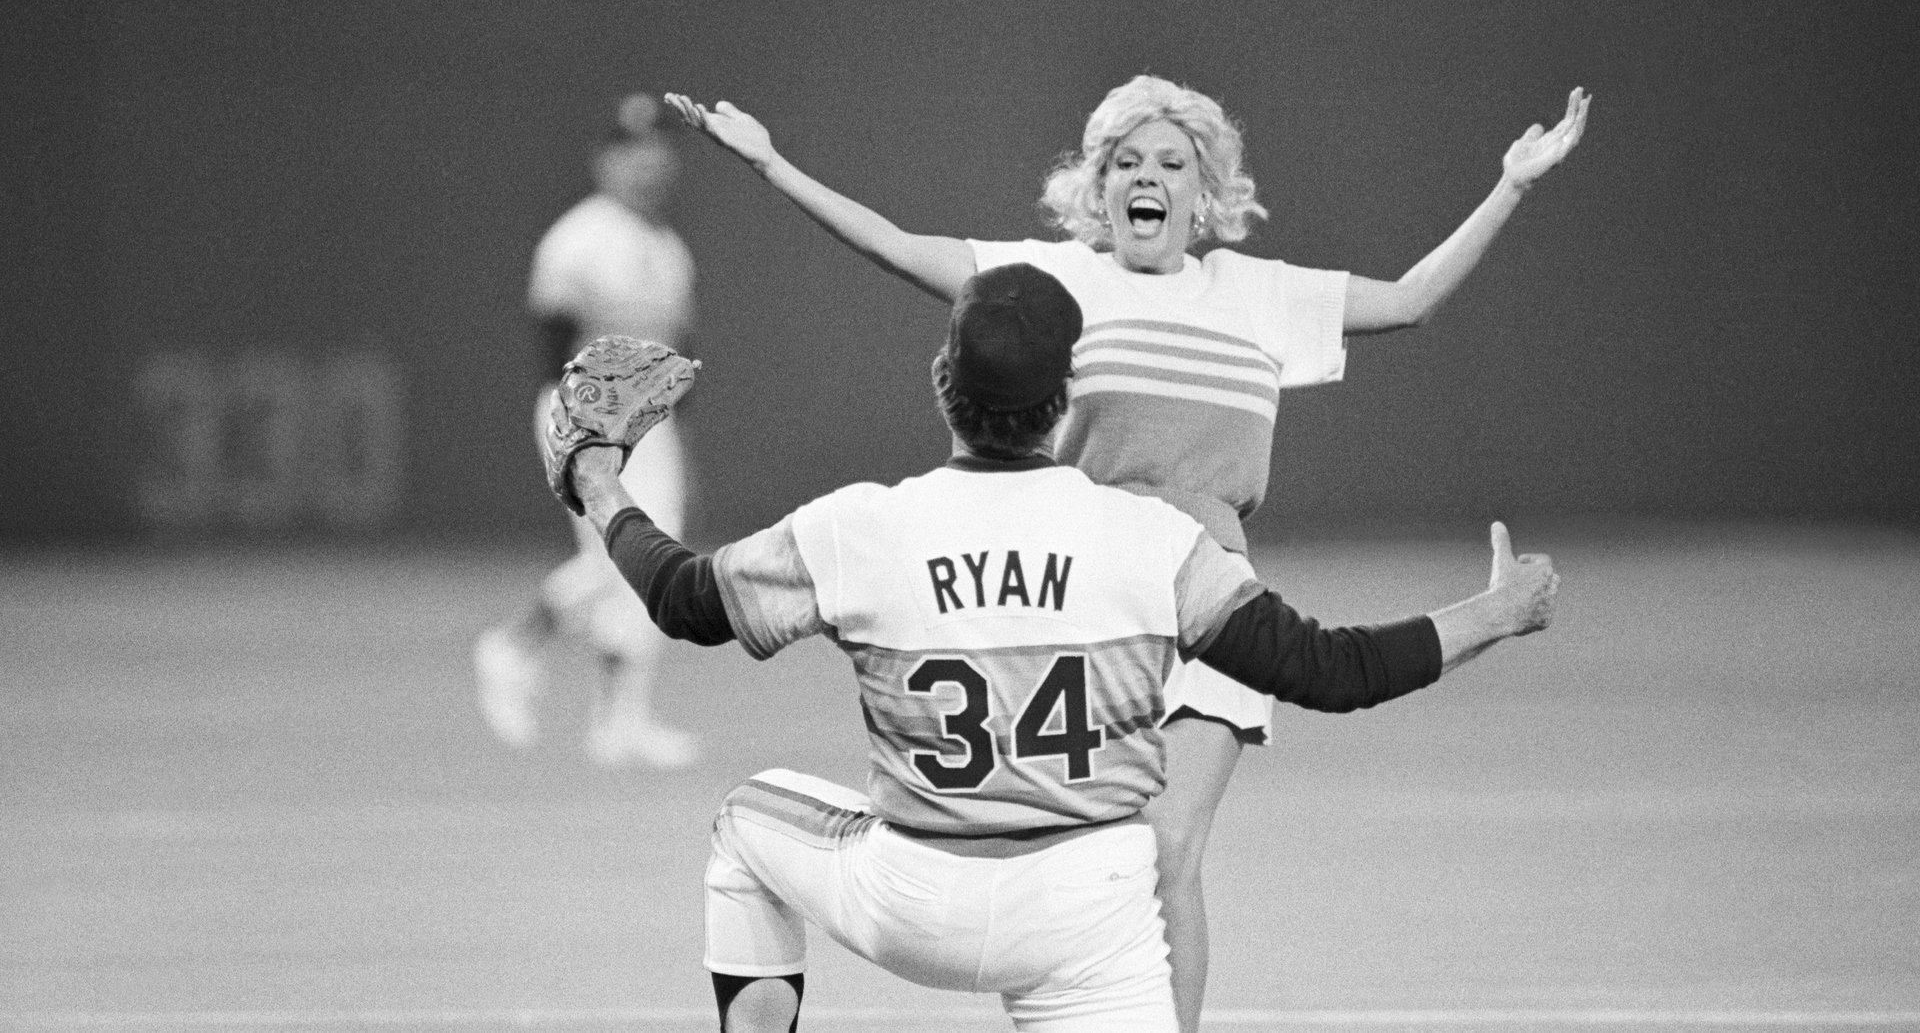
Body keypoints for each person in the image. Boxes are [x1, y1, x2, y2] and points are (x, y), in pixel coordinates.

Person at [663, 76, 1588, 1029]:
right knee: (1083, 853)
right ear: (1095, 189)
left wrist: (1512, 184)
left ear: (1206, 192)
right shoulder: (1058, 279)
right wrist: (774, 165)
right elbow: (897, 247)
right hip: (1085, 604)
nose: (1145, 177)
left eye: (1170, 163)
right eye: (1123, 162)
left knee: (1164, 846)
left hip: (1209, 596)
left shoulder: (1261, 294)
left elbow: (1412, 299)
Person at [472, 93, 701, 769]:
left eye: (657, 152)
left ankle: (620, 722)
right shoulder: (580, 236)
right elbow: (552, 344)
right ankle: (514, 644)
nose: (647, 165)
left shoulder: (666, 249)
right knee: (622, 558)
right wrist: (585, 433)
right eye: (631, 152)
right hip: (588, 411)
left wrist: (675, 437)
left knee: (653, 569)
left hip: (648, 421)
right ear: (605, 162)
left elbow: (676, 356)